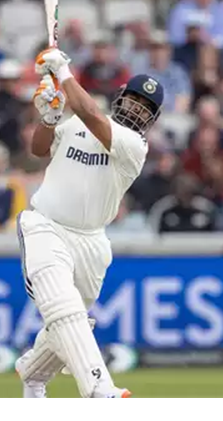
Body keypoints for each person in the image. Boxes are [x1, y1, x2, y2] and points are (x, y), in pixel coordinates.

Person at [14, 47, 164, 399]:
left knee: (68, 323)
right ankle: (100, 388)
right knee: (63, 308)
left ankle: (32, 375)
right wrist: (49, 119)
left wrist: (63, 71)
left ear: (152, 120)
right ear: (121, 97)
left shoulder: (134, 145)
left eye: (145, 108)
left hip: (91, 243)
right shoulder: (76, 122)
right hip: (45, 226)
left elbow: (90, 112)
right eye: (134, 100)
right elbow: (38, 150)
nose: (136, 110)